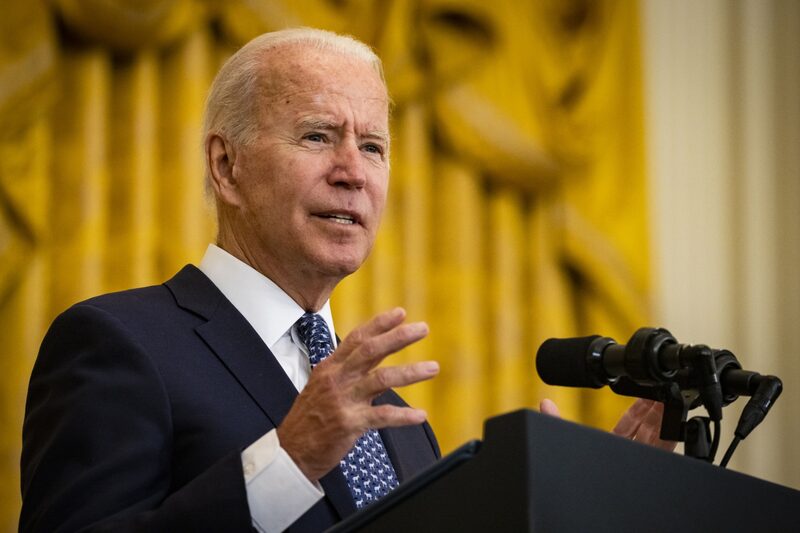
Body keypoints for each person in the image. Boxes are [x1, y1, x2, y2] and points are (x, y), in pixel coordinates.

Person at [20, 28, 671, 533]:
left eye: (373, 147)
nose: (353, 172)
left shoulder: (392, 417)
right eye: (317, 136)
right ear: (226, 166)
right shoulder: (119, 343)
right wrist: (288, 462)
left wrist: (573, 506)